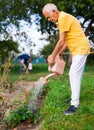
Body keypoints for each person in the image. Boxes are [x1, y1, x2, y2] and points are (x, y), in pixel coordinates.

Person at [42, 3, 90, 115]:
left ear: (54, 11)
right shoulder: (61, 20)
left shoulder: (63, 18)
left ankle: (74, 104)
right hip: (77, 48)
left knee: (73, 74)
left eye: (48, 16)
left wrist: (53, 56)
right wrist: (59, 52)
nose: (49, 20)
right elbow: (66, 41)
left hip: (81, 48)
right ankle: (74, 97)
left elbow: (61, 41)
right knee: (75, 75)